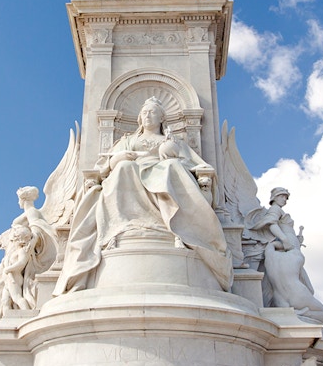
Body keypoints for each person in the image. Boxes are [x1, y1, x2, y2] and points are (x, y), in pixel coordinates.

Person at [56, 97, 231, 293]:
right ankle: (120, 226)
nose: (148, 115)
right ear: (139, 118)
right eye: (145, 112)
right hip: (132, 173)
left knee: (172, 167)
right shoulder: (128, 141)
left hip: (164, 173)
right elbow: (106, 164)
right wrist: (119, 158)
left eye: (153, 112)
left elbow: (194, 163)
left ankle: (176, 227)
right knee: (124, 167)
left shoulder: (172, 140)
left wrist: (172, 154)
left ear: (162, 118)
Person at [244, 187, 323, 325]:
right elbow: (272, 225)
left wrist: (295, 239)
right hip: (288, 246)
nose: (285, 199)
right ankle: (298, 309)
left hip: (291, 245)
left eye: (286, 197)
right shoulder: (275, 210)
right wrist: (284, 239)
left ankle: (295, 309)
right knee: (301, 282)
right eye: (282, 196)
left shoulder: (280, 211)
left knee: (301, 282)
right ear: (275, 197)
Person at [0, 187, 57, 319]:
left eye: (19, 199)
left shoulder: (32, 212)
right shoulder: (28, 213)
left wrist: (28, 246)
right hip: (11, 254)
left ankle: (8, 315)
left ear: (22, 199)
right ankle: (1, 315)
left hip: (16, 255)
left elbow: (38, 230)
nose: (18, 202)